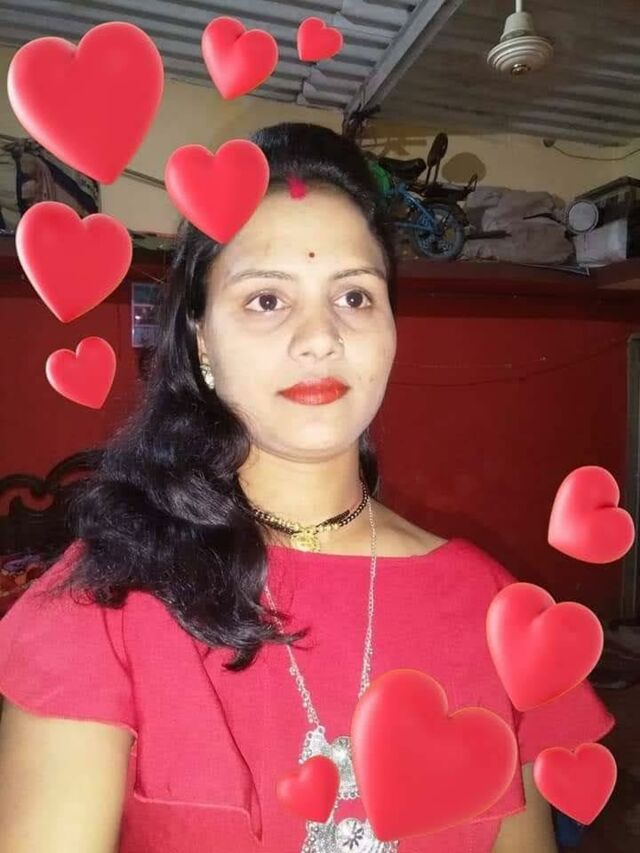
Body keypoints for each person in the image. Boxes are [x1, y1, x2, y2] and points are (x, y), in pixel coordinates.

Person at [0, 123, 614, 853]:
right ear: (200, 339)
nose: (320, 337)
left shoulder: (496, 611)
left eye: (354, 296)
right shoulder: (103, 602)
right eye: (266, 300)